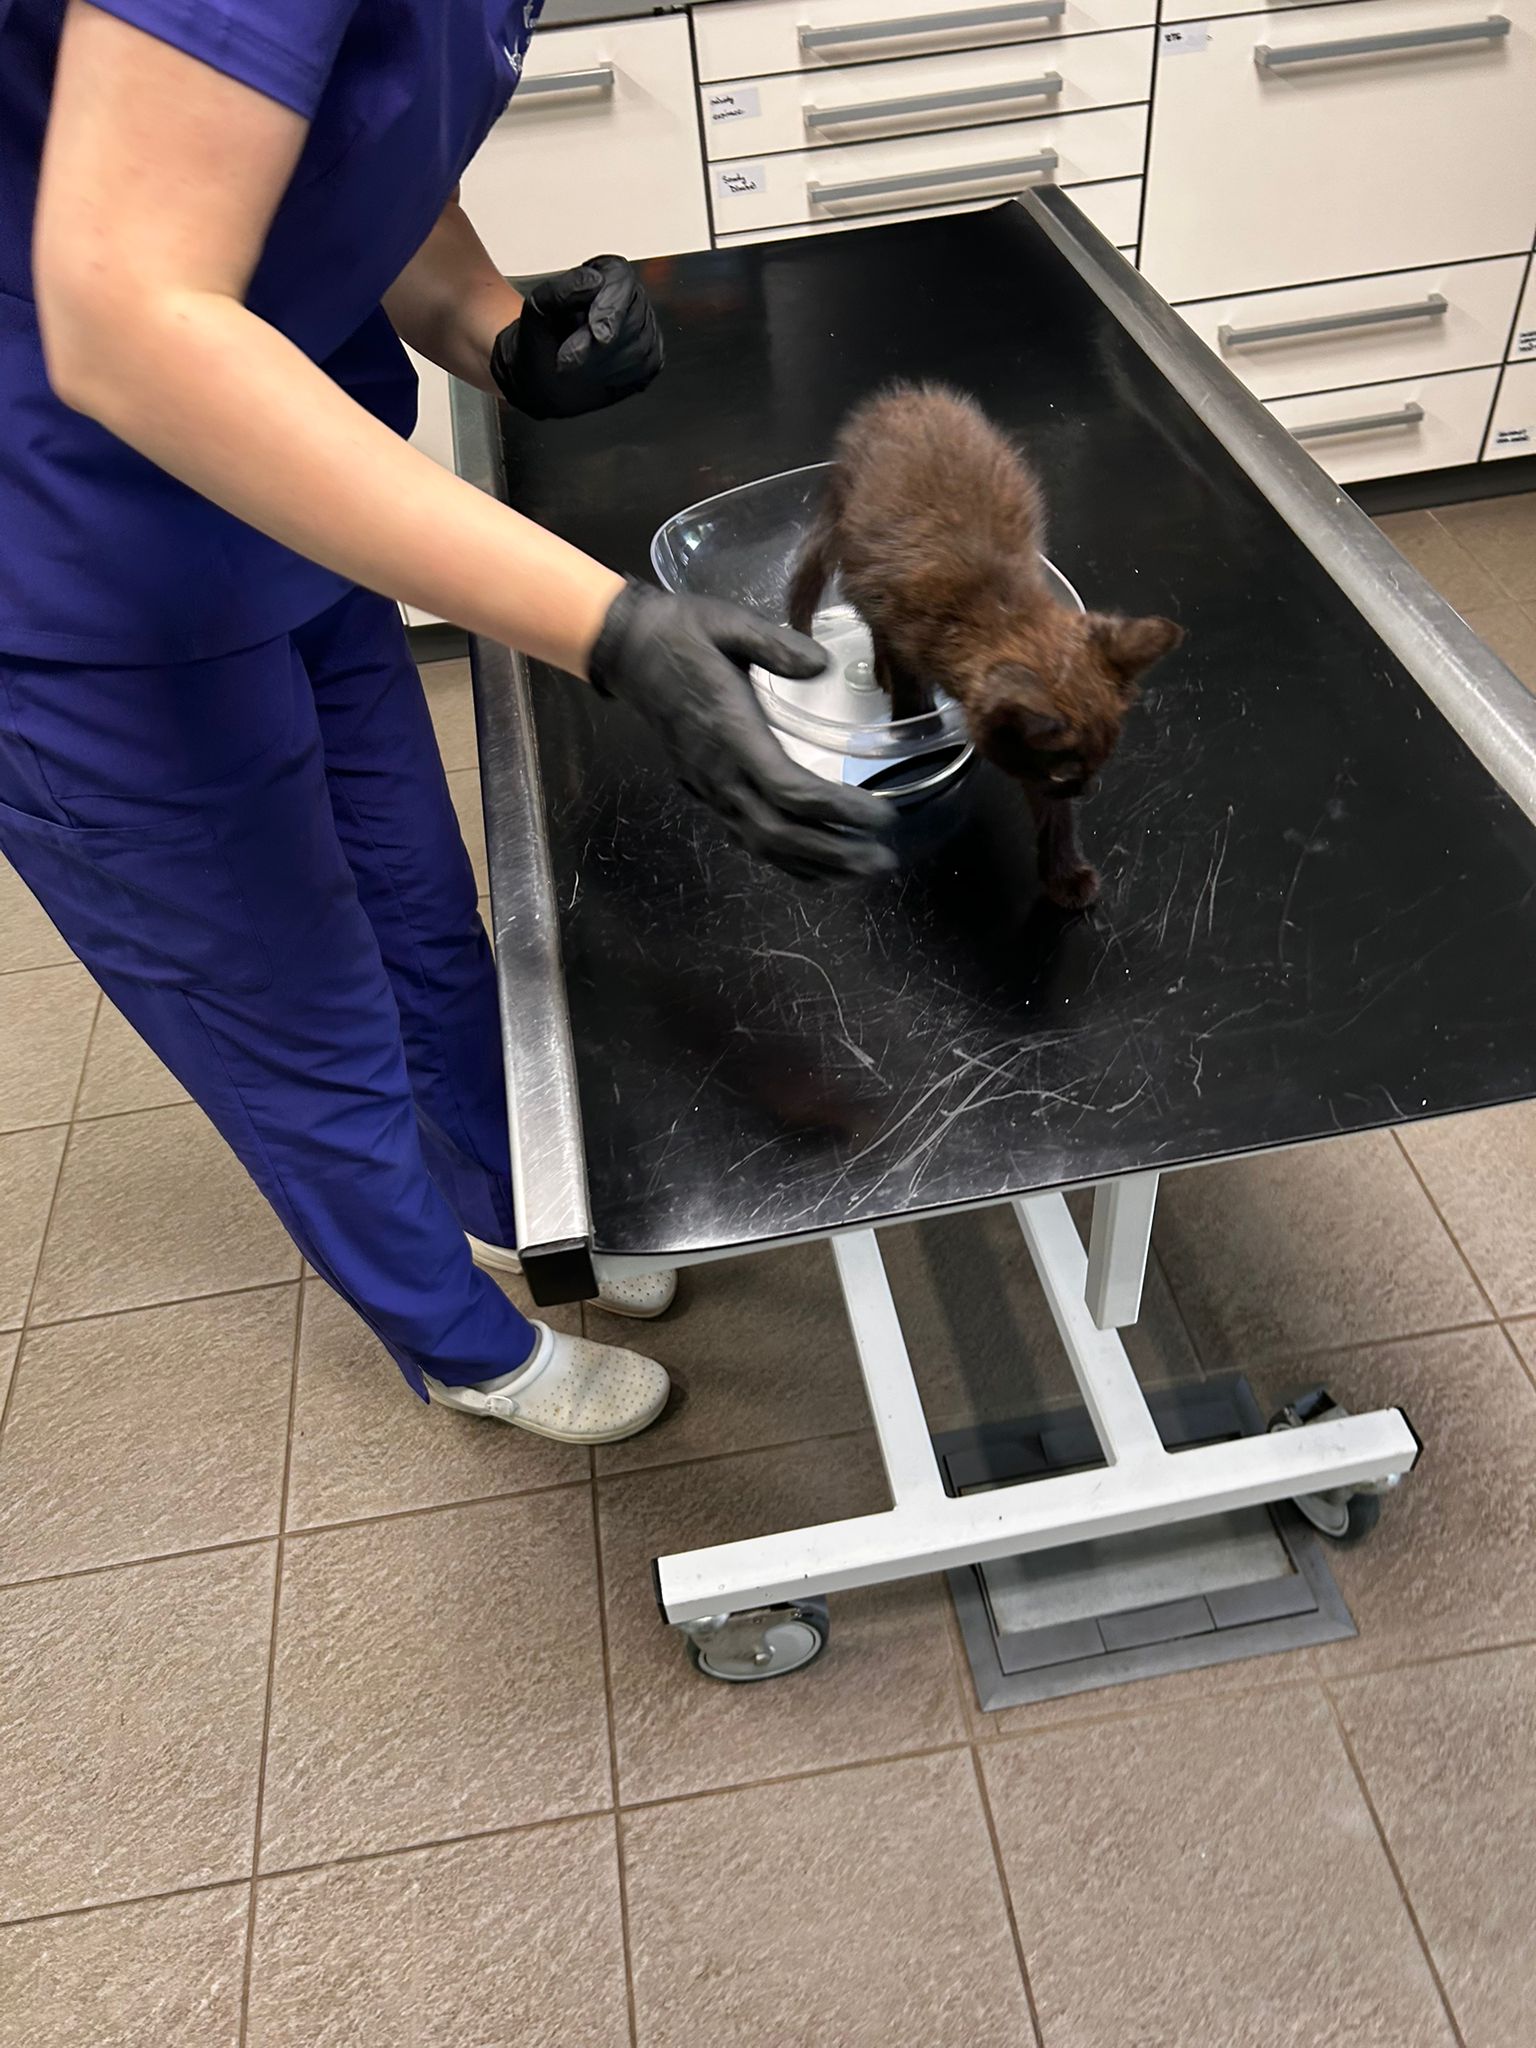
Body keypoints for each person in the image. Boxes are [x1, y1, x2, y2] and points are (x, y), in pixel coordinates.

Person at [0, 1, 892, 1445]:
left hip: (290, 487)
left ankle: (514, 1203)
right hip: (66, 554)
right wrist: (613, 631)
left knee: (418, 907)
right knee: (290, 1007)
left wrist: (493, 327)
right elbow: (126, 325)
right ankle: (464, 1345)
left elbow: (330, 138)